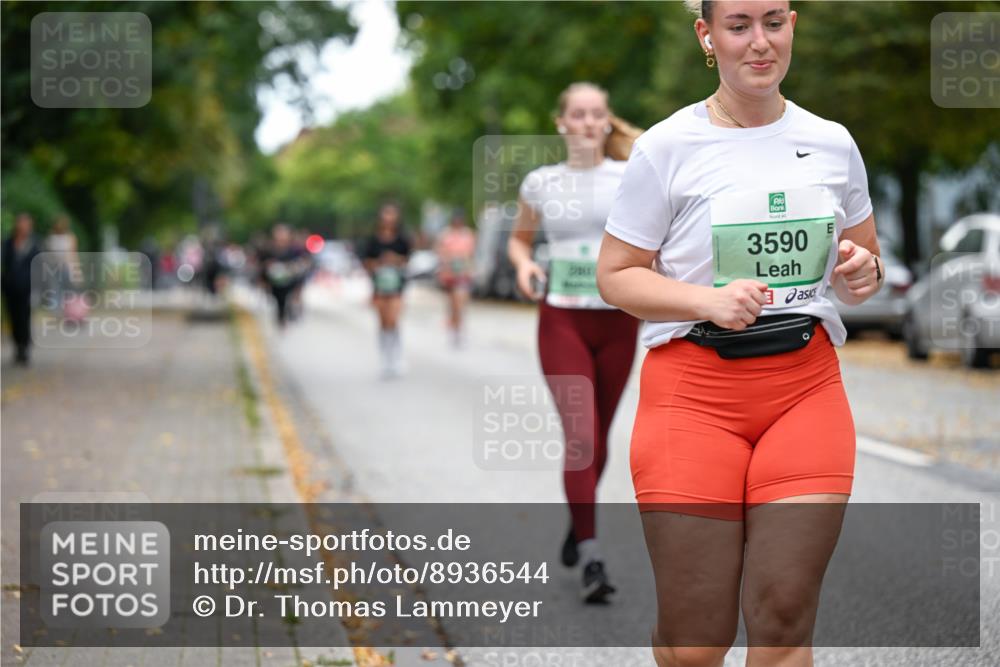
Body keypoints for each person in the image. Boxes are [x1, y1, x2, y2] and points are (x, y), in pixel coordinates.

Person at [596, 2, 884, 664]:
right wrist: (708, 300)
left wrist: (864, 270)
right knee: (695, 640)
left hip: (805, 390)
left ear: (792, 26)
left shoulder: (833, 143)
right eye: (739, 26)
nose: (760, 42)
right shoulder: (666, 147)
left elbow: (862, 265)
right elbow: (616, 275)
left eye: (774, 23)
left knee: (784, 615)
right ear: (707, 36)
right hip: (692, 396)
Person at [507, 82, 642, 603]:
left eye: (596, 114)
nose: (587, 122)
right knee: (581, 436)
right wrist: (525, 266)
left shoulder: (630, 177)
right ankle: (591, 554)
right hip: (562, 320)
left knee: (600, 439)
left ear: (607, 121)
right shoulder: (541, 182)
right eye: (578, 114)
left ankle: (577, 519)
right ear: (561, 122)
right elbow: (519, 241)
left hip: (618, 321)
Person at [361, 202, 412, 378]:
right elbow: (366, 263)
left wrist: (394, 259)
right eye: (386, 214)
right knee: (383, 322)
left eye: (392, 214)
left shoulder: (402, 240)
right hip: (379, 286)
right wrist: (379, 262)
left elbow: (407, 261)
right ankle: (385, 358)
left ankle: (396, 356)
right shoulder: (373, 241)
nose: (389, 218)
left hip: (397, 286)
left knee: (394, 320)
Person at [2, 213, 43, 365]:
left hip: (27, 287)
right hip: (10, 287)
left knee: (24, 317)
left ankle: (24, 347)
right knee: (13, 317)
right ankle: (17, 345)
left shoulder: (35, 243)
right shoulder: (8, 242)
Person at [435, 209, 477, 347]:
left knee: (461, 302)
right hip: (449, 274)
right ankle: (453, 328)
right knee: (452, 304)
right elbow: (440, 253)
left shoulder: (468, 234)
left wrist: (469, 268)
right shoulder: (445, 234)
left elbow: (471, 254)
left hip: (463, 274)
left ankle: (459, 329)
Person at [261, 223, 310, 330]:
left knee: (289, 297)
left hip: (291, 279)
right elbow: (262, 266)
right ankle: (281, 317)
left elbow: (304, 262)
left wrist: (293, 267)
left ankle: (291, 311)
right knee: (279, 300)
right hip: (275, 282)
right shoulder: (269, 249)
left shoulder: (295, 249)